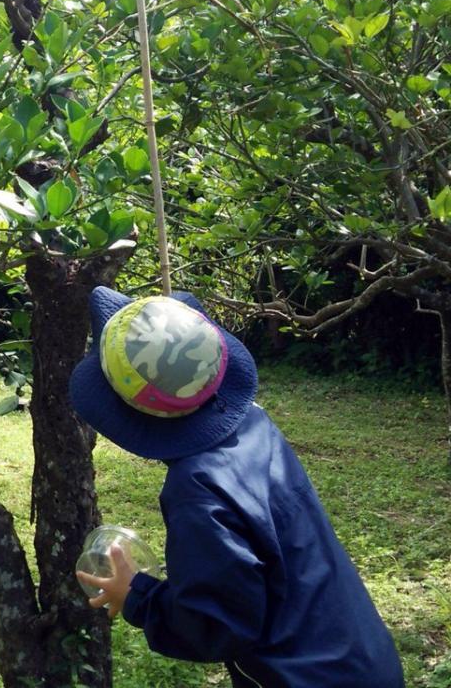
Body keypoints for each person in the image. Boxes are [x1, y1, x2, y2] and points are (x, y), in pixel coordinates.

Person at [69, 287, 404, 688]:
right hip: (359, 656)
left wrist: (136, 595)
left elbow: (218, 623)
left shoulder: (196, 488)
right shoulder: (255, 425)